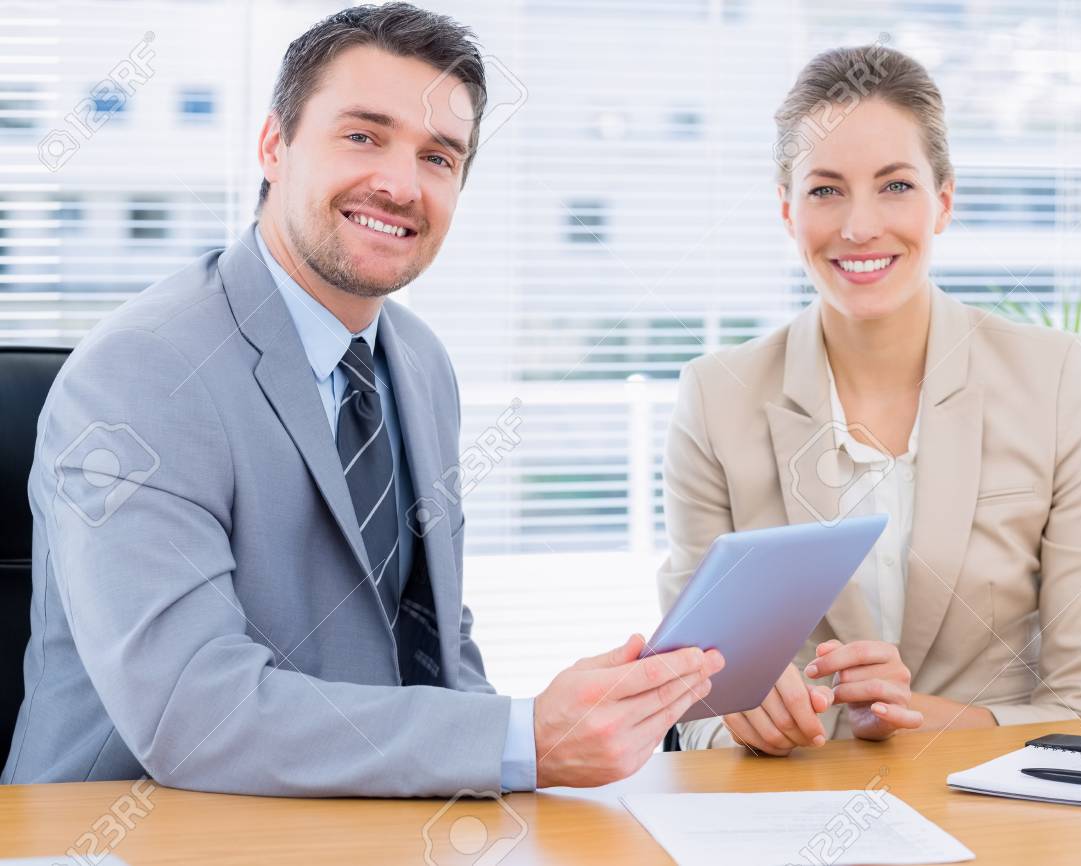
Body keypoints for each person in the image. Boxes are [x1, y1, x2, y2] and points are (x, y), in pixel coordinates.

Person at [3, 3, 722, 796]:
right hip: (135, 833)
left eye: (439, 157)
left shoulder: (417, 363)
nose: (400, 183)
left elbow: (436, 654)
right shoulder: (142, 372)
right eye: (362, 136)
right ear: (275, 145)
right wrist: (525, 738)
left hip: (363, 822)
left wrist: (560, 738)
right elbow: (195, 714)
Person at [657, 44, 1081, 755]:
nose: (860, 226)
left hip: (1000, 809)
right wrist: (745, 722)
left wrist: (920, 718)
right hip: (791, 808)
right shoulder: (716, 399)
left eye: (895, 186)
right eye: (825, 190)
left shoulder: (1058, 383)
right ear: (787, 212)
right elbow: (698, 703)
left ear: (942, 201)